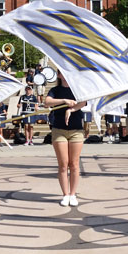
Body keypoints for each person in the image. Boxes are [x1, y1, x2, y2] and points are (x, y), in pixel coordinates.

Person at [44, 72, 87, 205]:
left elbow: (83, 102)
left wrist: (71, 109)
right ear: (59, 75)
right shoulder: (55, 90)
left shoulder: (77, 88)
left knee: (74, 164)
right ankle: (65, 194)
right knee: (63, 164)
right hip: (59, 130)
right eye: (62, 72)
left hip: (76, 130)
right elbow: (47, 102)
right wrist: (64, 101)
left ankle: (73, 194)